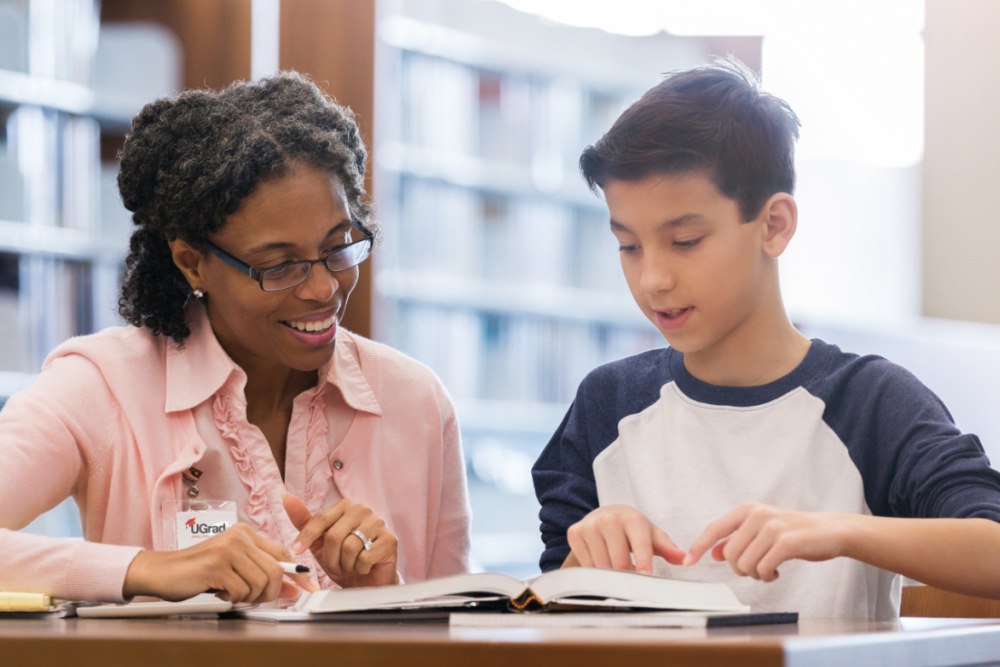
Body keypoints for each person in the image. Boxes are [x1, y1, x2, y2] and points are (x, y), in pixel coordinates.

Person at [532, 59, 1000, 618]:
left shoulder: (868, 401)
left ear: (774, 225)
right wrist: (585, 559)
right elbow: (546, 607)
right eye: (629, 246)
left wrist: (839, 530)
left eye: (685, 241)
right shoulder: (607, 403)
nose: (652, 278)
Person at [0, 72, 470, 604]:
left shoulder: (416, 402)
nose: (322, 288)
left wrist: (385, 599)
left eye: (339, 246)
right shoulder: (101, 386)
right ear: (192, 263)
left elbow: (459, 631)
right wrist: (147, 569)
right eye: (279, 265)